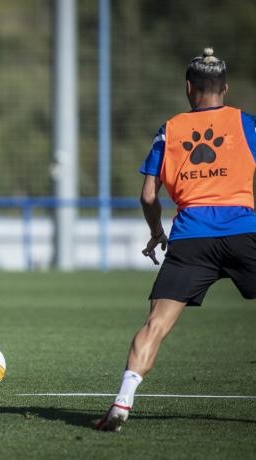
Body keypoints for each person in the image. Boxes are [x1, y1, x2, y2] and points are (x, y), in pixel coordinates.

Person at [96, 48, 256, 432]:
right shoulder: (247, 123)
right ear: (226, 88)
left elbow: (149, 196)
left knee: (156, 324)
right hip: (242, 231)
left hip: (190, 238)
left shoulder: (169, 129)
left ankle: (122, 402)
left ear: (189, 89)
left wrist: (156, 233)